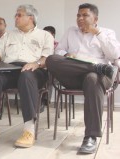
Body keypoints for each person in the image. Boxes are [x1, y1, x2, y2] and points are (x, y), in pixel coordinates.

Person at [46, 3, 120, 154]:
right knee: (51, 59)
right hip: (74, 75)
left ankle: (91, 137)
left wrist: (97, 33)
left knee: (92, 78)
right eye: (78, 15)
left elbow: (115, 55)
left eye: (85, 15)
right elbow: (59, 50)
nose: (80, 18)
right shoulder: (70, 31)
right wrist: (66, 55)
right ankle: (96, 66)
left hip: (100, 77)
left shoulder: (106, 33)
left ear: (95, 18)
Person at [0, 4, 54, 148]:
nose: (15, 17)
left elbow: (47, 58)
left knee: (26, 76)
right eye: (16, 15)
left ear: (31, 18)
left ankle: (29, 130)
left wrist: (36, 63)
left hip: (34, 70)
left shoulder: (45, 35)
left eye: (19, 15)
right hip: (10, 69)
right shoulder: (8, 35)